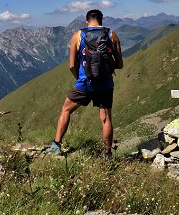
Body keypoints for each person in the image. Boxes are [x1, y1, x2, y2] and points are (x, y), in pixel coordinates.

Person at [47, 9, 123, 155]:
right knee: (106, 118)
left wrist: (80, 78)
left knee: (66, 110)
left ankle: (56, 146)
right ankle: (107, 154)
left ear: (87, 21)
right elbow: (120, 64)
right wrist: (106, 68)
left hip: (85, 82)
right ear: (102, 20)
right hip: (105, 84)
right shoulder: (111, 35)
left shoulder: (78, 35)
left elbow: (71, 65)